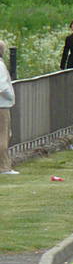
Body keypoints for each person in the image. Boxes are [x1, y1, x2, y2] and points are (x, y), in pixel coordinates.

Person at [0, 39, 15, 175]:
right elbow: (2, 86)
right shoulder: (0, 65)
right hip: (2, 105)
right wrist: (10, 95)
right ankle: (4, 167)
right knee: (4, 135)